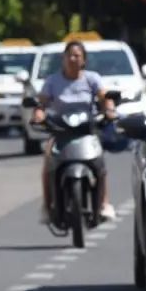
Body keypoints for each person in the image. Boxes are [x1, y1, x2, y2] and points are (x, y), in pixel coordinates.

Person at [34, 40, 117, 224]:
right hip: (60, 131)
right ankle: (47, 206)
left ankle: (104, 203)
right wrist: (39, 114)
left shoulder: (92, 79)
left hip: (87, 131)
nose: (73, 59)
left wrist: (109, 110)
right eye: (69, 55)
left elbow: (105, 98)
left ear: (84, 60)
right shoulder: (52, 81)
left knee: (99, 163)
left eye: (77, 56)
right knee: (48, 160)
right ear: (64, 59)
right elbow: (41, 103)